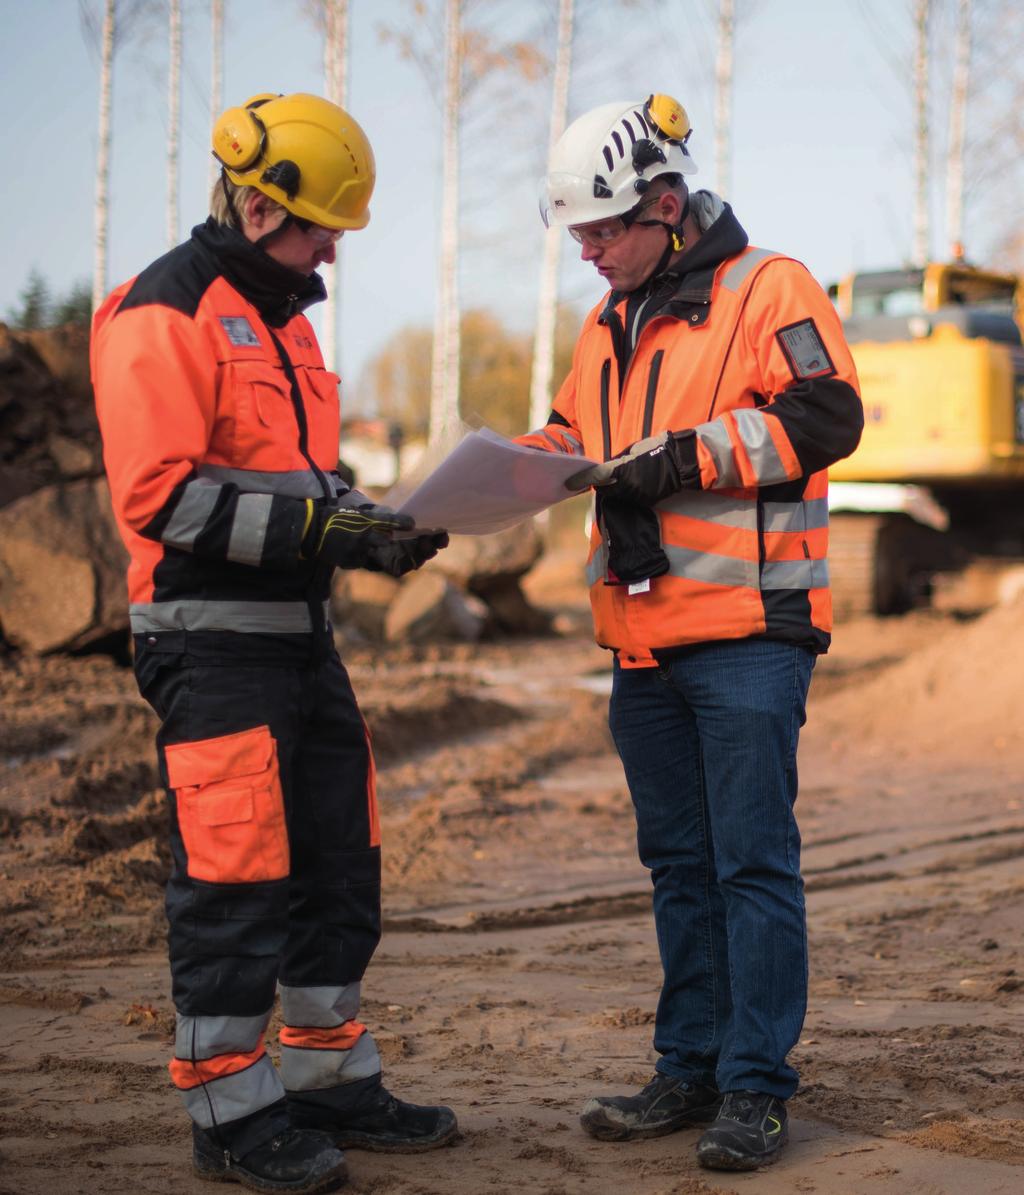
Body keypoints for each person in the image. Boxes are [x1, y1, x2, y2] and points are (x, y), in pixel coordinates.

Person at [91, 93, 454, 1194]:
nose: (333, 246)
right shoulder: (163, 309)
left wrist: (372, 522)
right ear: (256, 205)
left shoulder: (287, 321)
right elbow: (161, 501)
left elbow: (294, 480)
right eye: (319, 226)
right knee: (235, 878)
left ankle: (328, 1075)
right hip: (209, 646)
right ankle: (230, 1110)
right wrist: (320, 525)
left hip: (299, 638)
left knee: (340, 863)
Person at [521, 94, 863, 1171]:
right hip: (640, 638)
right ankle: (689, 1063)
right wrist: (486, 476)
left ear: (665, 206)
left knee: (749, 863)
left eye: (603, 229)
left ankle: (755, 1088)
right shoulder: (604, 320)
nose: (588, 251)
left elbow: (826, 417)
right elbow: (572, 434)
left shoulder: (769, 287)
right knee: (677, 863)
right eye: (577, 234)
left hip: (748, 635)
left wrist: (683, 455)